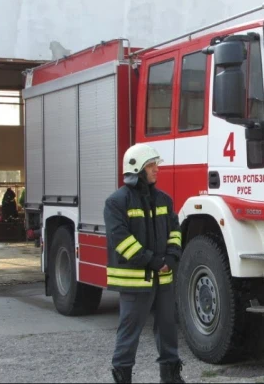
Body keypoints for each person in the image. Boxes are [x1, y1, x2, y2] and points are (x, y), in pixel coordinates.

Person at [104, 144, 185, 383]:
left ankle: (170, 377)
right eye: (151, 166)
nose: (156, 170)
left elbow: (175, 231)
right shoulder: (116, 202)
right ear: (137, 169)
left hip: (163, 277)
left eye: (156, 165)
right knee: (129, 333)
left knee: (168, 330)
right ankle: (122, 376)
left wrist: (170, 258)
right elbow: (121, 241)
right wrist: (152, 261)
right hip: (135, 280)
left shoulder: (164, 199)